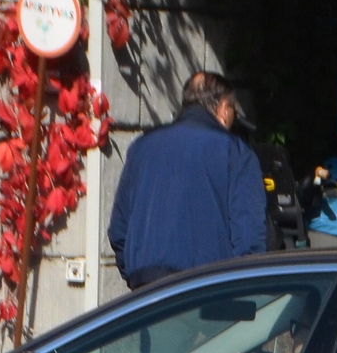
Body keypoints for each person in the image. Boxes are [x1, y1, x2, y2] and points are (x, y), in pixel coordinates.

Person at [107, 71, 268, 289]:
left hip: (147, 291)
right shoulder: (235, 151)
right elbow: (248, 236)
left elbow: (119, 229)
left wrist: (137, 275)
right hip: (208, 290)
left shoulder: (142, 147)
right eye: (233, 111)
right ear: (223, 109)